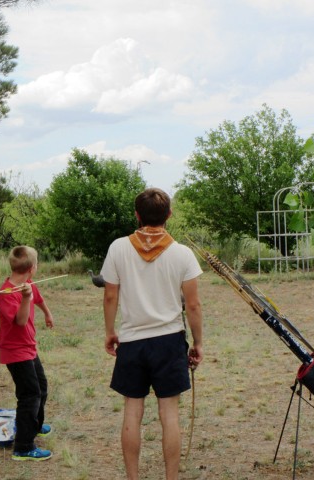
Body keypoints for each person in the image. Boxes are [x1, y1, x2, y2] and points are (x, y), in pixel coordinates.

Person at [100, 187, 204, 480]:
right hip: (169, 341)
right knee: (169, 415)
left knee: (132, 413)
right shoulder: (182, 254)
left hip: (132, 342)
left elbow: (110, 296)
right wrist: (197, 343)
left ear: (137, 215)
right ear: (169, 214)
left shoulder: (118, 248)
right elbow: (193, 305)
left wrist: (110, 331)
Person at [0, 246, 55, 461]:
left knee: (41, 387)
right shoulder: (6, 295)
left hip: (29, 347)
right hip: (15, 351)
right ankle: (23, 446)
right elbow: (20, 322)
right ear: (32, 268)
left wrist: (47, 314)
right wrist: (24, 298)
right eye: (37, 264)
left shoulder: (28, 285)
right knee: (29, 396)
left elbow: (38, 299)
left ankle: (34, 426)